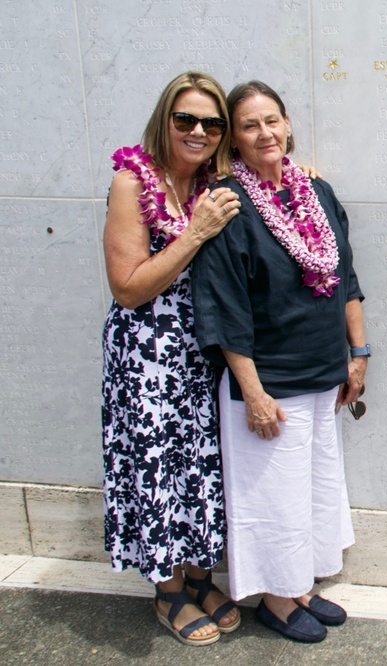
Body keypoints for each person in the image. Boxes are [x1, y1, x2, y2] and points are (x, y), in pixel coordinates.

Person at [192, 80, 367, 644]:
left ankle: (298, 585)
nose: (264, 133)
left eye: (272, 120)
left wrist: (357, 355)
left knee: (310, 488)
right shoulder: (229, 205)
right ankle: (273, 596)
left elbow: (347, 278)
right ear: (235, 140)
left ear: (288, 124)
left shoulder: (316, 191)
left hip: (323, 373)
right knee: (272, 496)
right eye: (249, 125)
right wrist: (253, 391)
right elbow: (226, 308)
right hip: (270, 379)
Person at [101, 71, 243, 646]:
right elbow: (128, 288)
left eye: (212, 123)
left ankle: (201, 575)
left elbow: (270, 169)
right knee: (158, 465)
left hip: (201, 352)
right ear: (165, 120)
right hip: (147, 356)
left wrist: (300, 172)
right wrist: (193, 233)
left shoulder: (215, 181)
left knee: (203, 463)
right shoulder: (131, 182)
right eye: (186, 119)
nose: (199, 131)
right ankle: (167, 593)